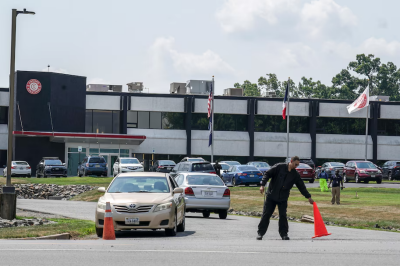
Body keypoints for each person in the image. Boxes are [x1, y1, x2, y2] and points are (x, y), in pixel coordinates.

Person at [257, 156, 314, 241]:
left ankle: (284, 234)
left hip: (283, 198)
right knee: (266, 214)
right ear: (291, 161)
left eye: (297, 165)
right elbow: (267, 174)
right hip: (271, 196)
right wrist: (262, 185)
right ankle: (260, 233)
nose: (296, 166)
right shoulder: (279, 167)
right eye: (295, 164)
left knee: (283, 216)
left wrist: (308, 197)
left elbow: (301, 186)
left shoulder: (295, 174)